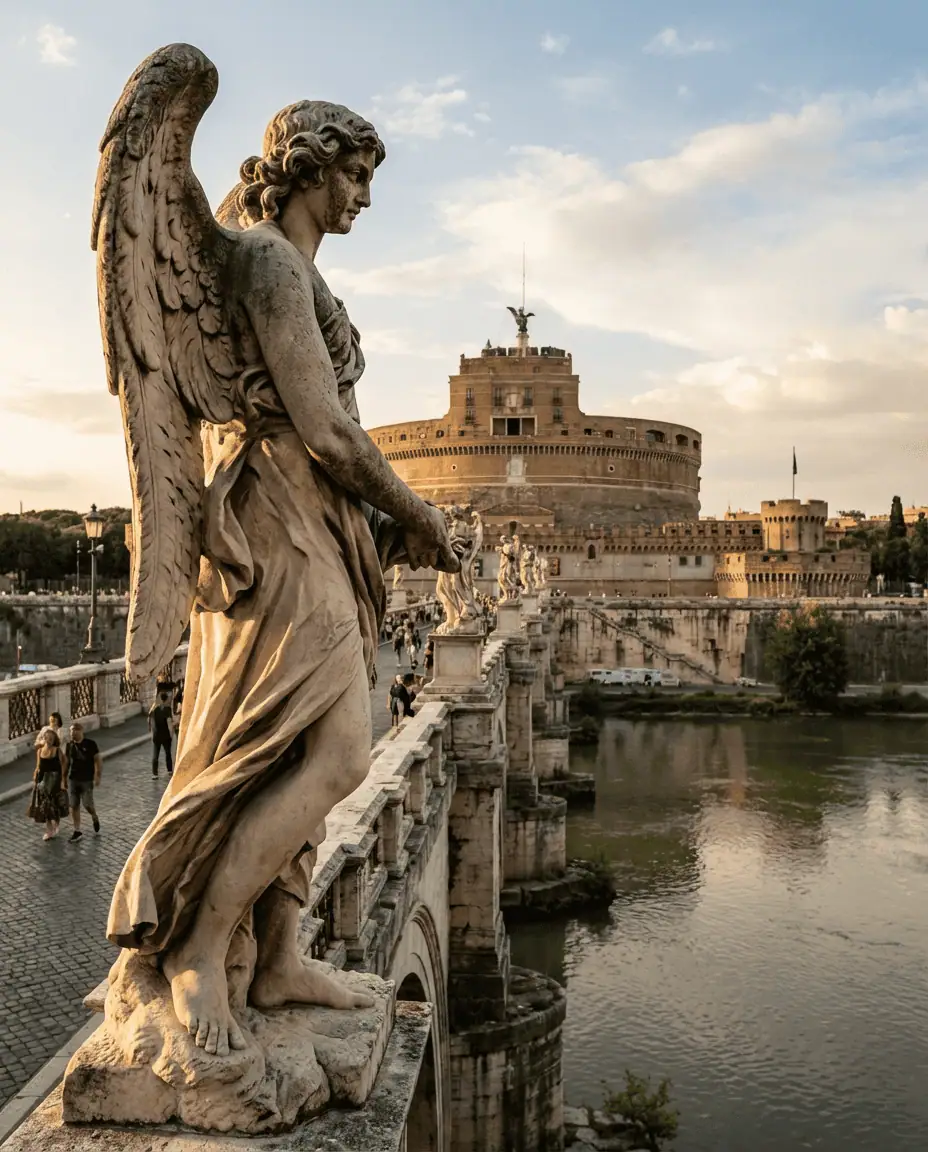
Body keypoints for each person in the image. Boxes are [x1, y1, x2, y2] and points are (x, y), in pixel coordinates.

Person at [64, 722, 102, 842]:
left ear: (81, 731)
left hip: (86, 779)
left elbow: (98, 760)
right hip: (73, 778)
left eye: (75, 731)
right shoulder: (69, 746)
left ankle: (94, 816)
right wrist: (63, 778)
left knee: (87, 804)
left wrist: (97, 775)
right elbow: (66, 762)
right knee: (74, 805)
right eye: (71, 731)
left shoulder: (90, 744)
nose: (72, 733)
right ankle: (77, 830)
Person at [29, 728, 67, 841]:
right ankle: (49, 829)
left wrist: (62, 781)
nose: (49, 740)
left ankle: (56, 825)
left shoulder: (57, 750)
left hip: (55, 780)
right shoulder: (40, 751)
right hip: (43, 781)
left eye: (51, 738)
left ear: (54, 739)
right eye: (47, 738)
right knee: (45, 806)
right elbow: (38, 765)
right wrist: (36, 774)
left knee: (56, 805)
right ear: (44, 739)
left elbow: (64, 763)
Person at [149, 689, 175, 778]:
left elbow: (151, 722)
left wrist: (152, 733)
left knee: (155, 754)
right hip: (165, 735)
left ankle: (154, 773)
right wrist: (171, 735)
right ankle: (169, 770)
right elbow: (169, 723)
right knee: (168, 753)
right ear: (167, 699)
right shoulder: (167, 709)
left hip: (156, 735)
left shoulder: (155, 710)